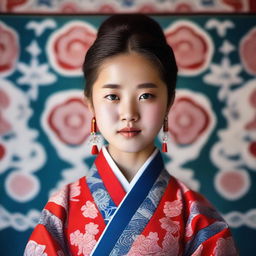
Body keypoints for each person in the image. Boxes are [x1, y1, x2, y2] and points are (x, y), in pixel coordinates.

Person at [24, 14, 238, 256]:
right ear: (90, 104)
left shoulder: (196, 215)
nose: (129, 113)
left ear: (169, 101)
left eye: (146, 96)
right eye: (113, 96)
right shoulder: (61, 209)